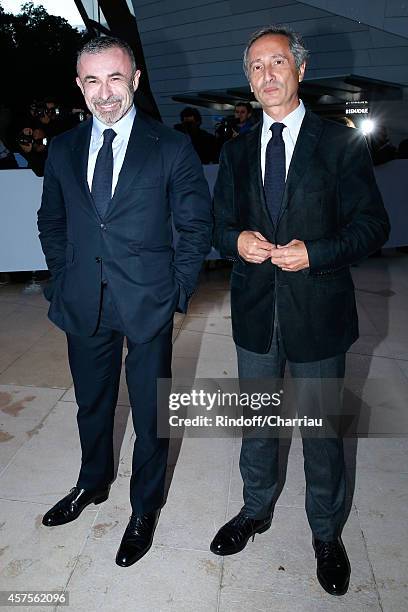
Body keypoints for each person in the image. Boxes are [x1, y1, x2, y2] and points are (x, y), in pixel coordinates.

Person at [211, 25, 390, 596]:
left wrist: (316, 253)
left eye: (278, 63)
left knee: (321, 434)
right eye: (257, 66)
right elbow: (218, 224)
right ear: (249, 78)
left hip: (319, 312)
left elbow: (372, 226)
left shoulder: (339, 142)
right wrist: (235, 240)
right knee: (258, 425)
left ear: (300, 70)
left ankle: (326, 533)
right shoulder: (237, 149)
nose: (267, 74)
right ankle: (255, 509)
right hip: (256, 315)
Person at [37, 36, 212, 567]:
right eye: (92, 80)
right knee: (92, 402)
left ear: (135, 80)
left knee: (151, 411)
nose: (104, 92)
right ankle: (92, 483)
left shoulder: (170, 146)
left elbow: (194, 225)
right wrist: (62, 278)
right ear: (79, 85)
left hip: (147, 301)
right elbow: (53, 221)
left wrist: (177, 290)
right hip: (82, 300)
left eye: (115, 78)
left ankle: (144, 507)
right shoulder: (64, 147)